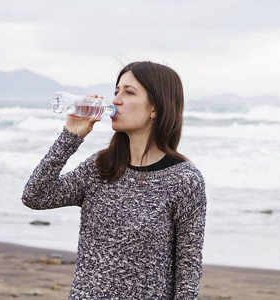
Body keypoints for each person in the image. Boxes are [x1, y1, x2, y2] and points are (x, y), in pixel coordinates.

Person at [22, 61, 207, 299]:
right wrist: (70, 137)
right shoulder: (100, 167)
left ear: (156, 108)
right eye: (116, 91)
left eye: (129, 92)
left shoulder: (184, 181)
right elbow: (35, 196)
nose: (116, 100)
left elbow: (188, 273)